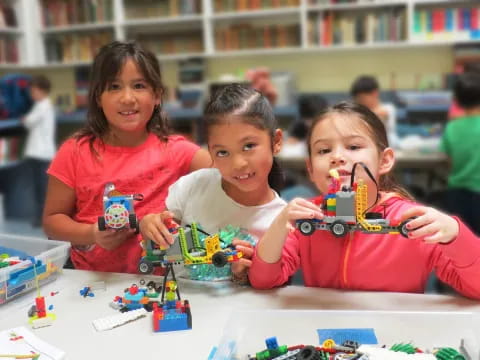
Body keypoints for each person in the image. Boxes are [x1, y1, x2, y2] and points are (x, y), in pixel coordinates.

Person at [249, 102, 480, 300]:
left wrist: (455, 235)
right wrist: (279, 225)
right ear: (310, 169)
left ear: (384, 160)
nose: (337, 157)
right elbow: (263, 280)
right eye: (323, 150)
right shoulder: (307, 218)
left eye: (353, 147)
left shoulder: (414, 221)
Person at [42, 41, 211, 273]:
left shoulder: (179, 152)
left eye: (139, 85)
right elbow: (52, 221)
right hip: (90, 280)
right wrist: (91, 233)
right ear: (98, 98)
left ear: (157, 95)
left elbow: (229, 172)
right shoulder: (74, 151)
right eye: (114, 87)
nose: (127, 98)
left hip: (160, 283)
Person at [140, 84, 286, 283]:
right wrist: (150, 226)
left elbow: (268, 287)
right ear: (210, 152)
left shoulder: (282, 220)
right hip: (177, 299)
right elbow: (160, 233)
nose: (238, 164)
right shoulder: (193, 186)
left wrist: (242, 273)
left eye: (248, 146)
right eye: (222, 152)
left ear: (276, 141)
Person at [440, 72, 480, 236]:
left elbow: (450, 162)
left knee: (462, 240)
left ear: (457, 100)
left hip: (457, 195)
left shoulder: (452, 128)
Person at [22, 75, 56, 227]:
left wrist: (25, 119)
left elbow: (28, 121)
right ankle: (40, 218)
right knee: (40, 188)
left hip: (40, 153)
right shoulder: (42, 105)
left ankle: (42, 219)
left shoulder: (43, 106)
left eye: (33, 90)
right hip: (40, 153)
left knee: (41, 189)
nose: (31, 93)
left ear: (42, 90)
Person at [350, 75, 397, 147]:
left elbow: (382, 114)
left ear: (375, 93)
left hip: (388, 145)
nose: (360, 102)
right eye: (358, 99)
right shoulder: (359, 111)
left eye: (362, 98)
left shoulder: (387, 109)